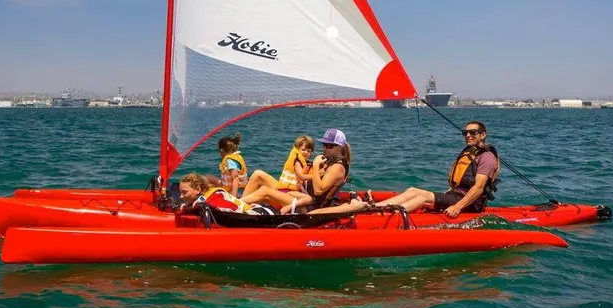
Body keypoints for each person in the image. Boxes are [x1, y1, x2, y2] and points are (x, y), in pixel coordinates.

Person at [315, 121, 499, 218]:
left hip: (467, 204)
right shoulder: (471, 153)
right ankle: (373, 209)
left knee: (423, 197)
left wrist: (457, 207)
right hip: (456, 195)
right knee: (412, 190)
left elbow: (478, 188)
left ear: (483, 135)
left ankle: (389, 216)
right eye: (465, 133)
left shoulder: (486, 157)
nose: (468, 135)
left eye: (472, 133)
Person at [241, 129, 351, 214]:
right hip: (301, 195)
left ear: (339, 147)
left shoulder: (337, 168)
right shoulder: (330, 162)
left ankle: (236, 205)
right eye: (324, 144)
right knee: (258, 174)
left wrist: (316, 165)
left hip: (308, 205)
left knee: (265, 190)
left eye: (329, 146)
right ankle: (239, 204)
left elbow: (318, 191)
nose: (325, 148)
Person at [178, 172, 275, 215]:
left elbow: (233, 209)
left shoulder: (215, 196)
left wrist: (199, 205)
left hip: (259, 213)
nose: (180, 196)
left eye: (184, 193)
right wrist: (190, 206)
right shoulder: (205, 197)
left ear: (198, 189)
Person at [217, 132, 248, 197]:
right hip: (239, 189)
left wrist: (234, 199)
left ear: (222, 150)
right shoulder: (236, 157)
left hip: (236, 192)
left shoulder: (230, 161)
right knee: (209, 177)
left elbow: (236, 179)